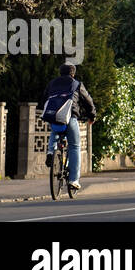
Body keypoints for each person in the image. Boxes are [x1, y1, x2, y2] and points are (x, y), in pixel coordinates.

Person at [41, 63, 96, 191]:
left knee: (55, 130)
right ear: (73, 73)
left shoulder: (52, 83)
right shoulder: (77, 84)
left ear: (60, 72)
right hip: (70, 117)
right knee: (75, 146)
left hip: (54, 116)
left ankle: (50, 151)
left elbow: (44, 98)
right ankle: (73, 180)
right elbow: (88, 101)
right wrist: (92, 115)